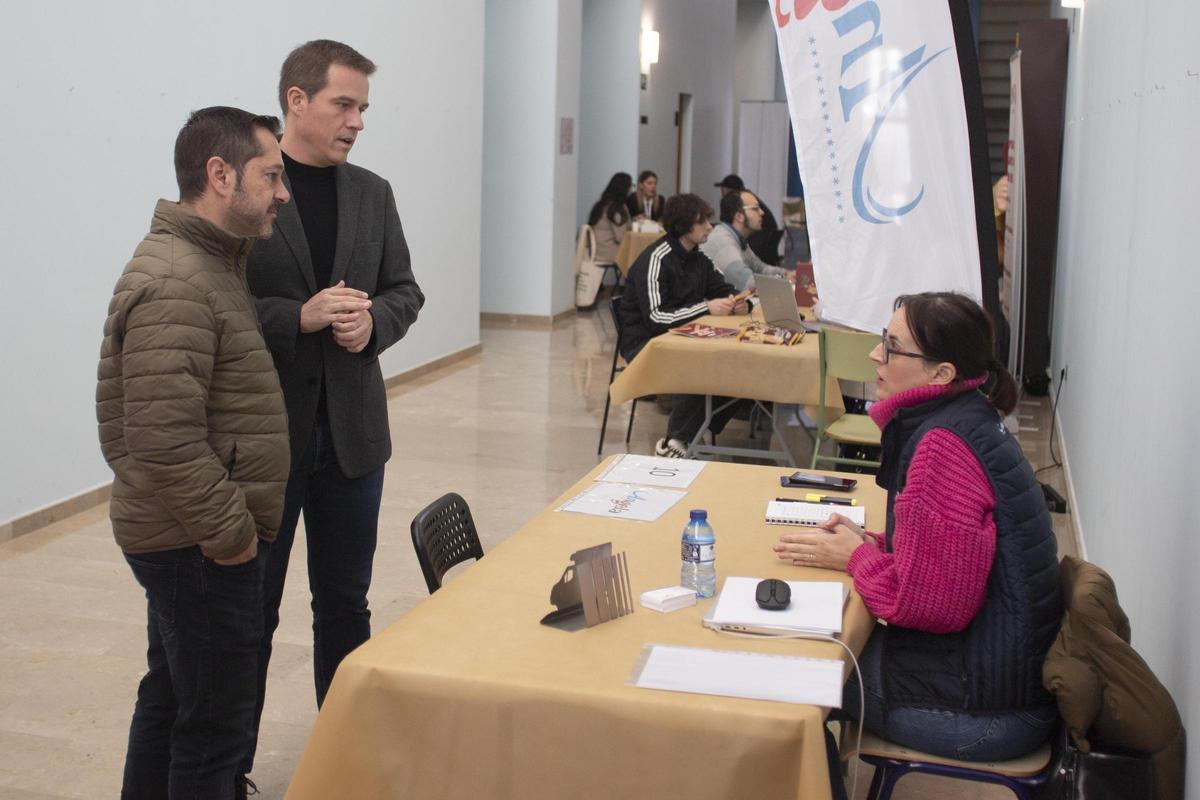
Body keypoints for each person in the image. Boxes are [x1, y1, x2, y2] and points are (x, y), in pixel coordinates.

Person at [772, 293, 1061, 789]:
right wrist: (878, 542)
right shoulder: (972, 415)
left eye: (892, 346)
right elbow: (959, 554)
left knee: (795, 681)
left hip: (987, 711)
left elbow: (927, 605)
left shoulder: (941, 448)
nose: (874, 356)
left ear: (941, 373)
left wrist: (859, 556)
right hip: (1000, 677)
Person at [97, 106, 291, 799]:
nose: (282, 192)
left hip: (189, 539)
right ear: (220, 174)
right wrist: (232, 537)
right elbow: (160, 438)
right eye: (271, 175)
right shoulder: (179, 279)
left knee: (173, 699)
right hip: (199, 546)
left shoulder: (210, 263)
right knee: (213, 734)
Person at [243, 39, 425, 773]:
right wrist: (299, 317)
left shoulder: (373, 192)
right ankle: (229, 767)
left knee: (346, 606)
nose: (356, 122)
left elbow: (406, 290)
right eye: (343, 104)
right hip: (266, 442)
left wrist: (373, 321)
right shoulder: (251, 187)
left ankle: (343, 764)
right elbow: (218, 306)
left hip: (352, 439)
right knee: (252, 616)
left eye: (363, 109)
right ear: (297, 100)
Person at [618, 194, 748, 458]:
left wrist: (741, 303)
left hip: (682, 338)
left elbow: (723, 288)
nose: (710, 227)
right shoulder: (657, 258)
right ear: (683, 225)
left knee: (740, 368)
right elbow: (656, 318)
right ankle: (675, 441)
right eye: (702, 222)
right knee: (702, 366)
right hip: (645, 343)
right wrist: (706, 307)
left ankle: (692, 434)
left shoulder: (698, 258)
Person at [700, 189, 793, 291]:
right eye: (755, 208)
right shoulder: (723, 241)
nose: (762, 212)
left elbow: (760, 268)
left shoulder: (737, 238)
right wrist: (783, 279)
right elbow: (748, 283)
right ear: (739, 216)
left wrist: (786, 274)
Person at [715, 173, 782, 265]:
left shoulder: (737, 202)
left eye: (723, 188)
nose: (761, 213)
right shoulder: (749, 197)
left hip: (761, 244)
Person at [587, 172, 632, 266]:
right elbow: (621, 237)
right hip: (609, 252)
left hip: (596, 249)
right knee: (640, 255)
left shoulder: (600, 205)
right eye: (631, 186)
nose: (631, 189)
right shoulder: (617, 208)